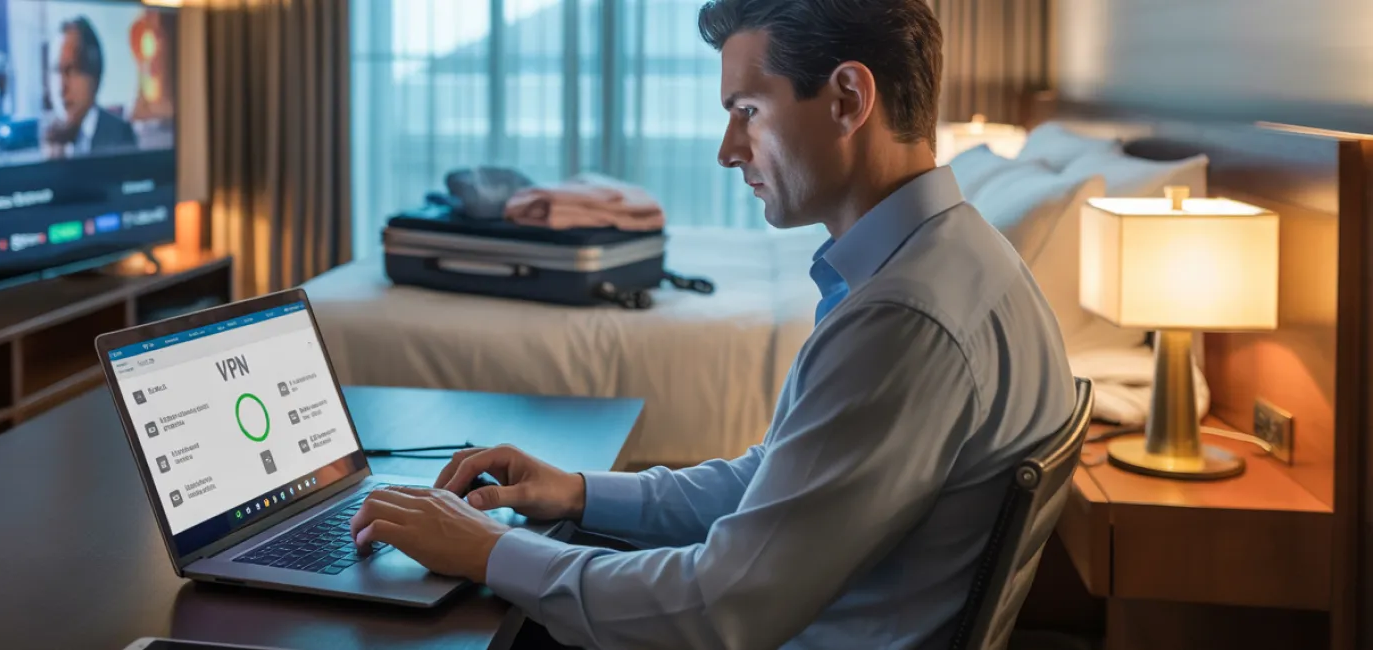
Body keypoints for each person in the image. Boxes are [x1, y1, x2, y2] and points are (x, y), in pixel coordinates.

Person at [348, 0, 1074, 647]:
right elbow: (778, 484)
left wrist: (485, 551)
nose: (728, 150)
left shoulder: (904, 318)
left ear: (848, 98)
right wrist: (579, 490)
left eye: (748, 110)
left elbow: (721, 609)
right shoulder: (967, 259)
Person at [49, 17, 137, 155]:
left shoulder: (119, 134)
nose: (61, 87)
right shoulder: (50, 138)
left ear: (94, 74)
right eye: (56, 70)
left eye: (71, 70)